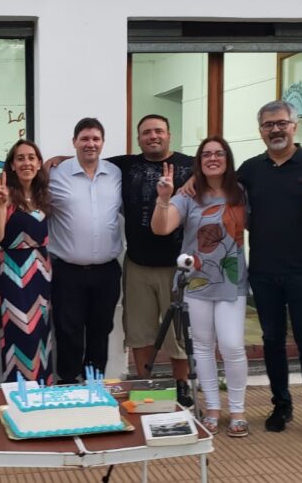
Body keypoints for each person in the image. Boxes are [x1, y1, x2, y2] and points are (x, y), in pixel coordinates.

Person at [237, 100, 302, 445]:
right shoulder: (250, 170)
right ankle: (281, 406)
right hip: (263, 271)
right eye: (268, 125)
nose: (275, 130)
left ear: (294, 126)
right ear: (261, 131)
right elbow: (230, 203)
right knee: (272, 341)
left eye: (281, 123)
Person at [151, 136, 249, 438]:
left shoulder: (241, 192)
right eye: (206, 154)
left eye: (219, 153)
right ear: (199, 161)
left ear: (227, 159)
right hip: (196, 281)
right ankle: (212, 409)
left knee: (232, 345)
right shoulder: (188, 195)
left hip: (231, 281)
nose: (213, 158)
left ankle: (238, 409)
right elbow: (161, 227)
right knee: (203, 347)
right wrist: (164, 198)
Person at [109, 114, 194, 403]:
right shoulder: (125, 165)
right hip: (138, 264)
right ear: (138, 138)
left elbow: (221, 176)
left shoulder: (191, 166)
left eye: (158, 131)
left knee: (177, 332)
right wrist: (58, 159)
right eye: (146, 132)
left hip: (176, 266)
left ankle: (181, 385)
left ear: (169, 134)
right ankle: (146, 385)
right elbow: (90, 159)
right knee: (139, 330)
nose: (153, 136)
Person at [47, 118, 123, 383]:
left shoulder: (115, 173)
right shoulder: (55, 174)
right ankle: (68, 383)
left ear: (103, 143)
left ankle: (94, 384)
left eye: (95, 139)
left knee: (101, 330)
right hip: (67, 271)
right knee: (68, 331)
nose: (90, 144)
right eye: (85, 139)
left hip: (106, 272)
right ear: (74, 142)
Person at [0, 140, 54, 384]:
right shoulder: (4, 195)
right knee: (19, 331)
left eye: (31, 158)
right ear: (12, 165)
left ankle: (42, 388)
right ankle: (18, 390)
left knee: (41, 332)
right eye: (20, 158)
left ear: (38, 164)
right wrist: (0, 205)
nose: (26, 163)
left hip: (42, 270)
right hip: (13, 270)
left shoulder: (42, 195)